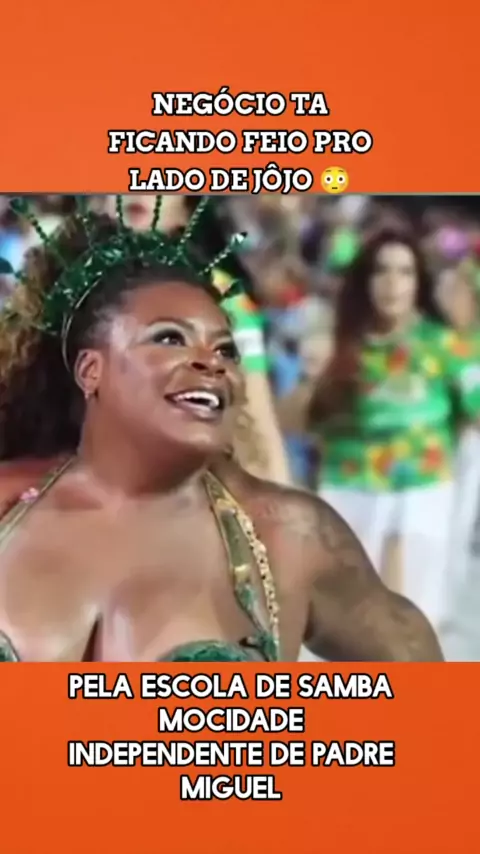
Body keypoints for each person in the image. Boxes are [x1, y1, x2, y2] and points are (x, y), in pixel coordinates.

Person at [0, 198, 442, 663]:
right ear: (91, 370)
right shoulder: (10, 504)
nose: (211, 363)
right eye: (169, 337)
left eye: (226, 350)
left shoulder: (284, 536)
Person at [302, 230, 480, 657]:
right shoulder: (340, 347)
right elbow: (303, 420)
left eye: (405, 272)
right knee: (351, 627)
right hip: (350, 489)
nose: (392, 283)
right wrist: (313, 378)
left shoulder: (446, 346)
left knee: (410, 620)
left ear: (419, 282)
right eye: (381, 271)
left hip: (423, 491)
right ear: (365, 281)